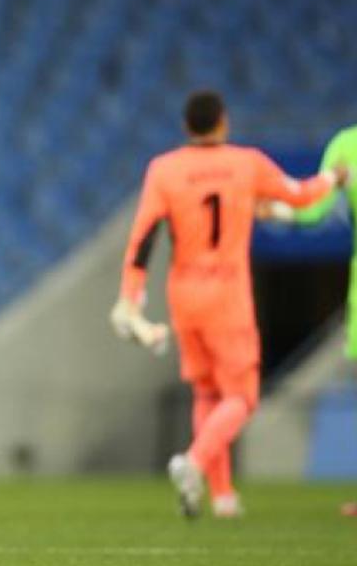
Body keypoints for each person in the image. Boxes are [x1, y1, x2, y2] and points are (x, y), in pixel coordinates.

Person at [111, 91, 347, 519]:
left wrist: (131, 297)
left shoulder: (164, 170)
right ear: (223, 124)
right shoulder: (246, 163)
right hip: (227, 293)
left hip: (184, 292)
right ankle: (195, 463)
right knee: (241, 396)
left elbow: (142, 238)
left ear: (187, 128)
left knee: (206, 392)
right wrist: (333, 178)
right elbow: (301, 195)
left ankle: (222, 497)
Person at [262, 124, 357, 515]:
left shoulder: (346, 144)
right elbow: (317, 207)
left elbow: (316, 206)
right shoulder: (346, 143)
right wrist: (282, 209)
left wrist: (281, 208)